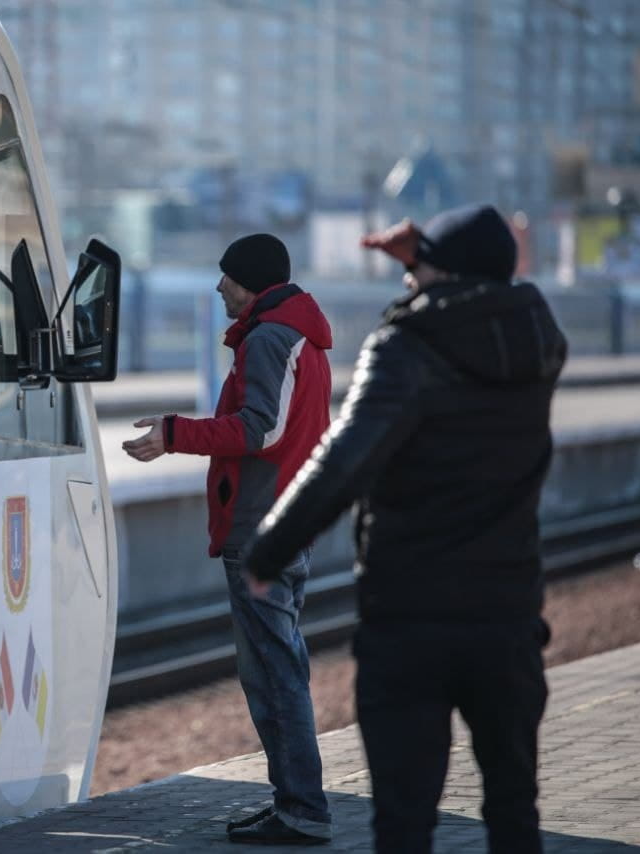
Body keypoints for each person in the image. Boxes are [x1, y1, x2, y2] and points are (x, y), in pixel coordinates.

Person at [242, 204, 566, 853]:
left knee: (404, 818)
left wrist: (268, 551)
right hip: (507, 616)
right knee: (513, 805)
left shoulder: (407, 346)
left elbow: (344, 460)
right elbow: (479, 298)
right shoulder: (537, 339)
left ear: (436, 270)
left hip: (413, 620)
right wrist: (434, 262)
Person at [123, 233, 334, 845]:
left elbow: (260, 430)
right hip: (282, 520)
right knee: (274, 668)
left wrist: (174, 433)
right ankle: (295, 804)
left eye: (228, 277)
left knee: (274, 674)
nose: (219, 286)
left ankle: (303, 809)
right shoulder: (296, 336)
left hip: (263, 528)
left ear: (253, 281)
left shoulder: (271, 338)